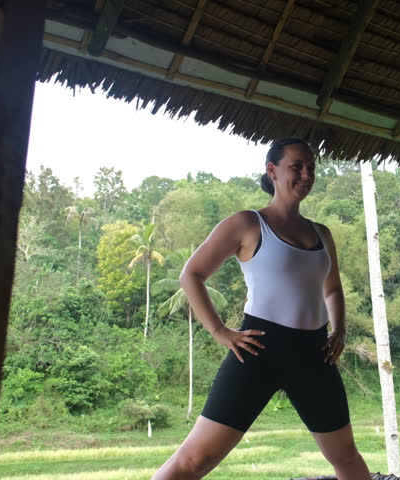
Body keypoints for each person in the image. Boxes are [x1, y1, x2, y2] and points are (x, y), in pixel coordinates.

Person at [152, 138, 372, 480]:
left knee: (346, 457)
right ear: (272, 171)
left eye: (311, 167)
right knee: (195, 460)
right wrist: (221, 332)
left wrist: (339, 331)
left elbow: (332, 289)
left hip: (315, 355)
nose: (306, 174)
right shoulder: (247, 224)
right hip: (258, 351)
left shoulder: (322, 233)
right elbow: (191, 274)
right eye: (296, 166)